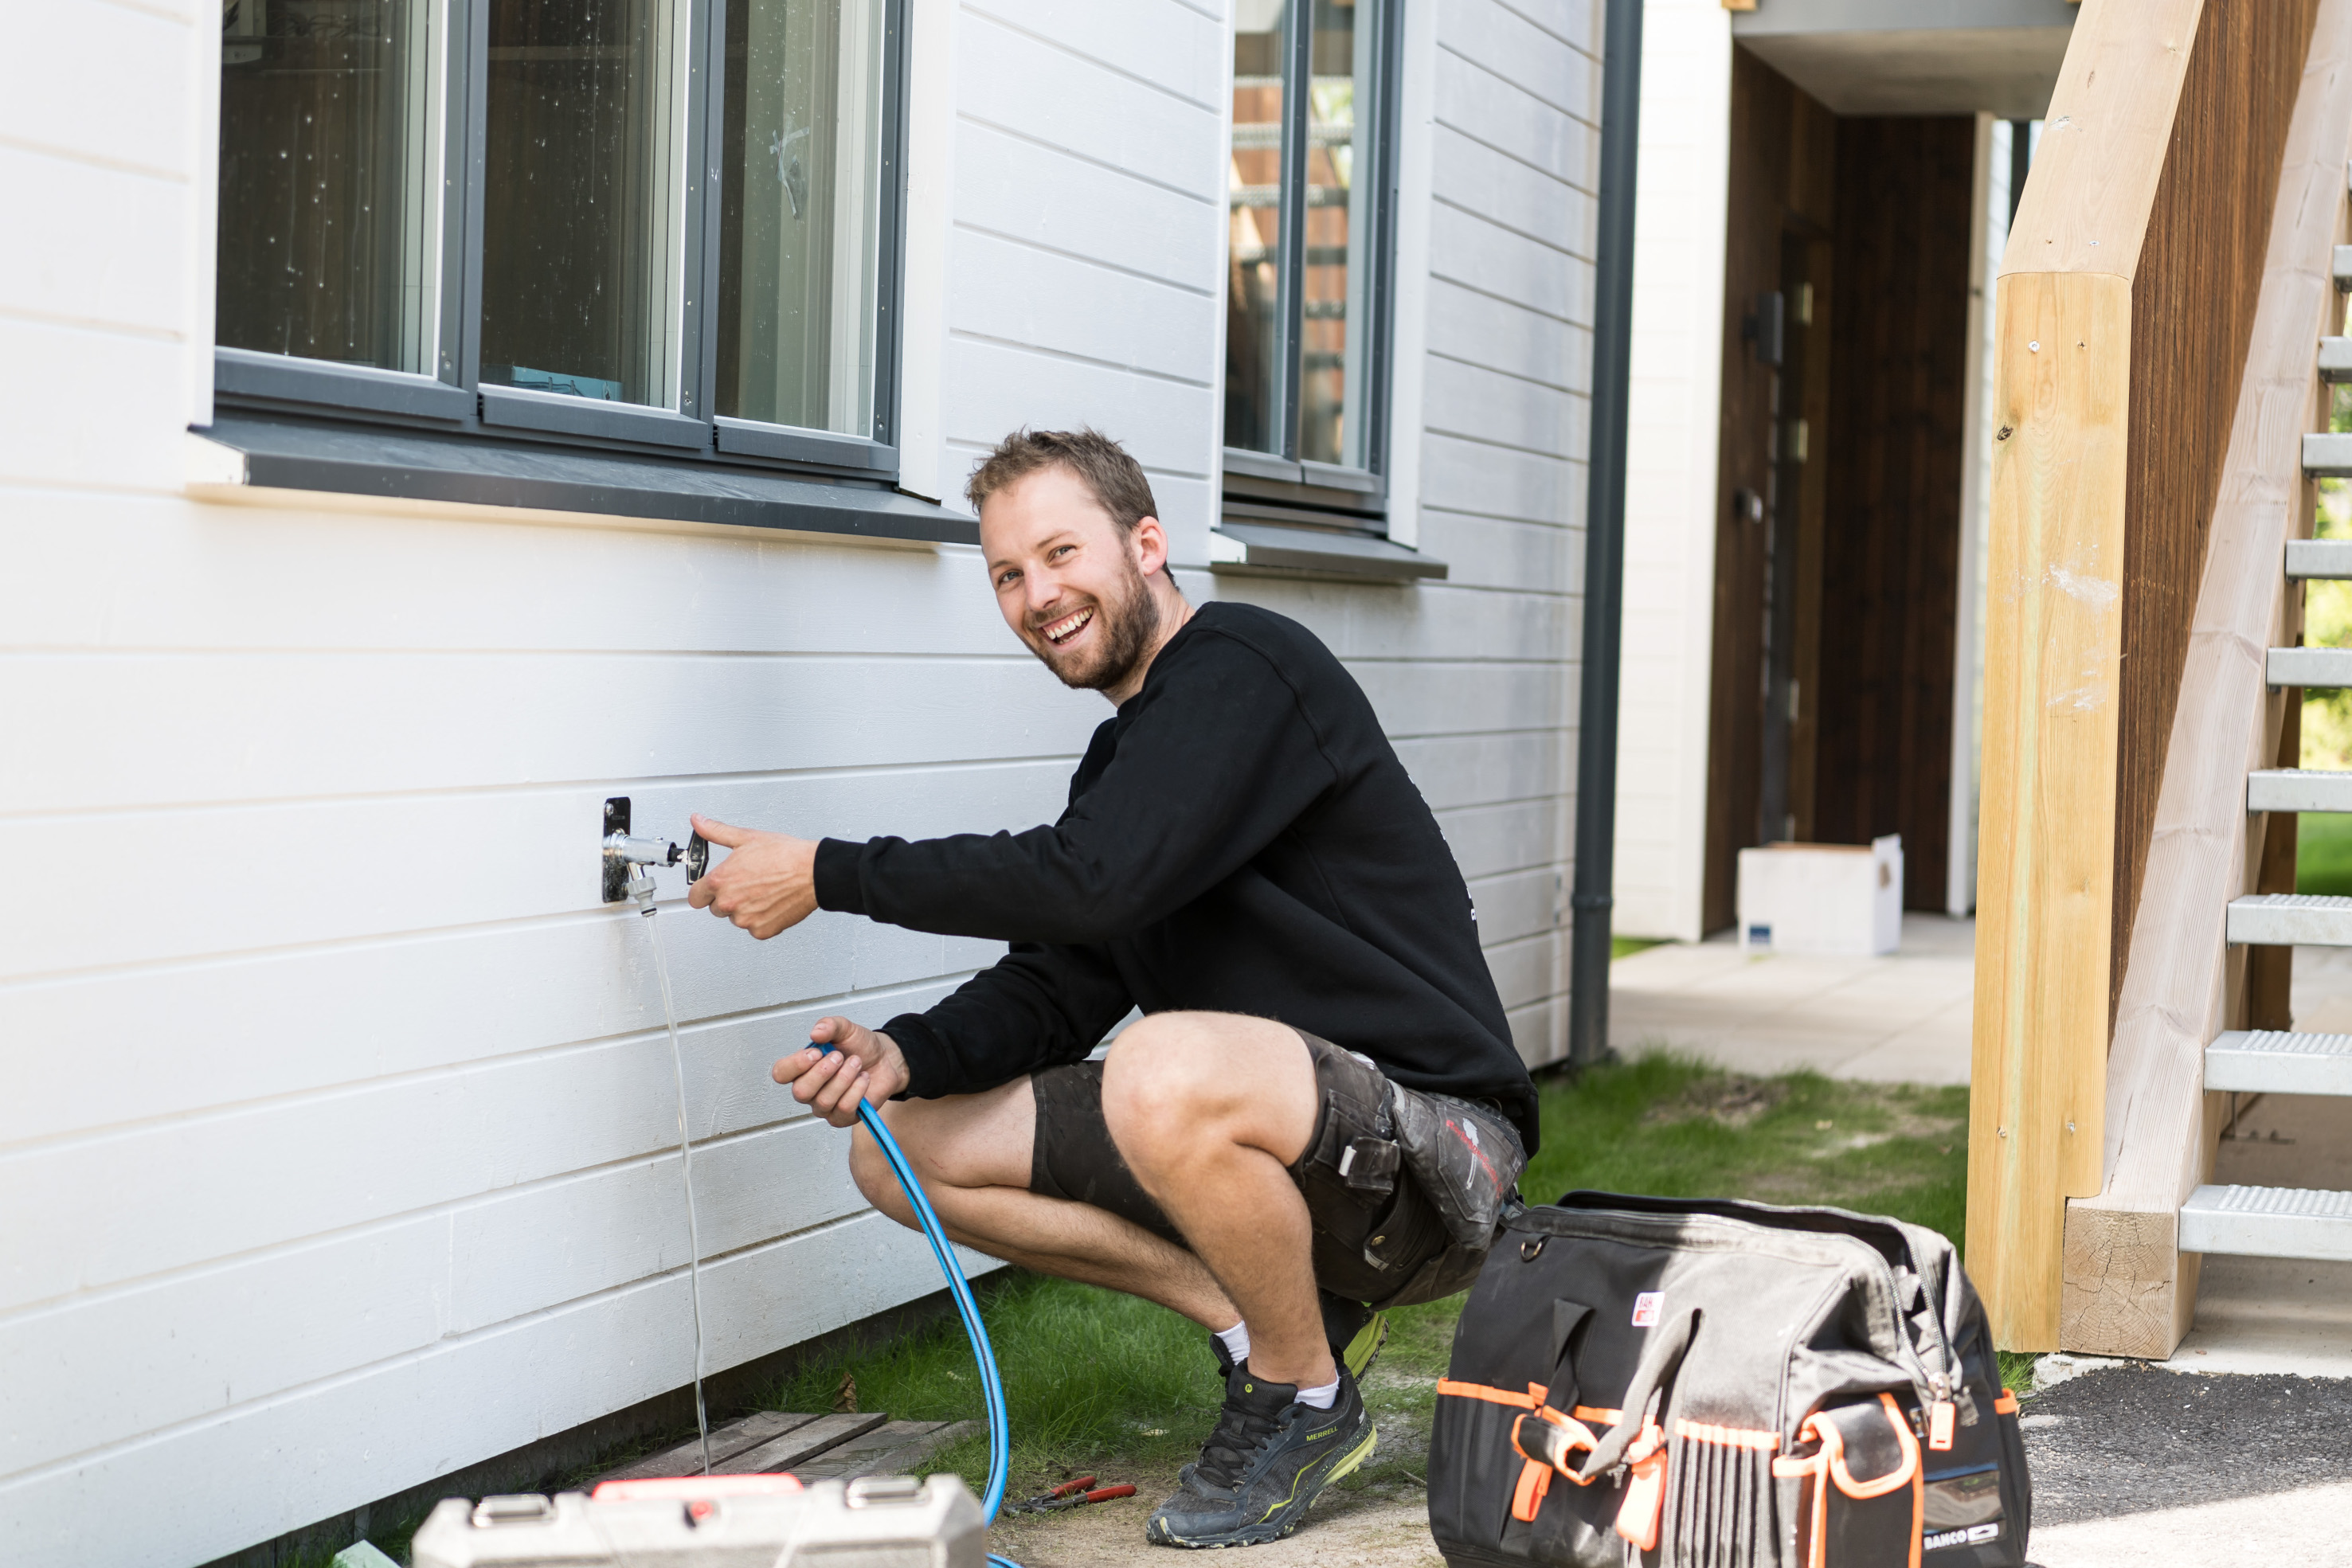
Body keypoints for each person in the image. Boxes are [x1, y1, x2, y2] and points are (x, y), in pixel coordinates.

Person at [687, 428, 1536, 1550]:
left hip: (1434, 1156)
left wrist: (826, 870)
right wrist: (909, 1052)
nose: (1038, 595)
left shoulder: (1249, 669)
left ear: (1146, 543)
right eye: (1006, 574)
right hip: (1290, 1146)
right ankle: (1266, 1334)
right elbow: (1063, 973)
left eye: (1058, 552)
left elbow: (1091, 882)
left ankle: (1307, 1400)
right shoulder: (1130, 765)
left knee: (1159, 1062)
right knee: (899, 1141)